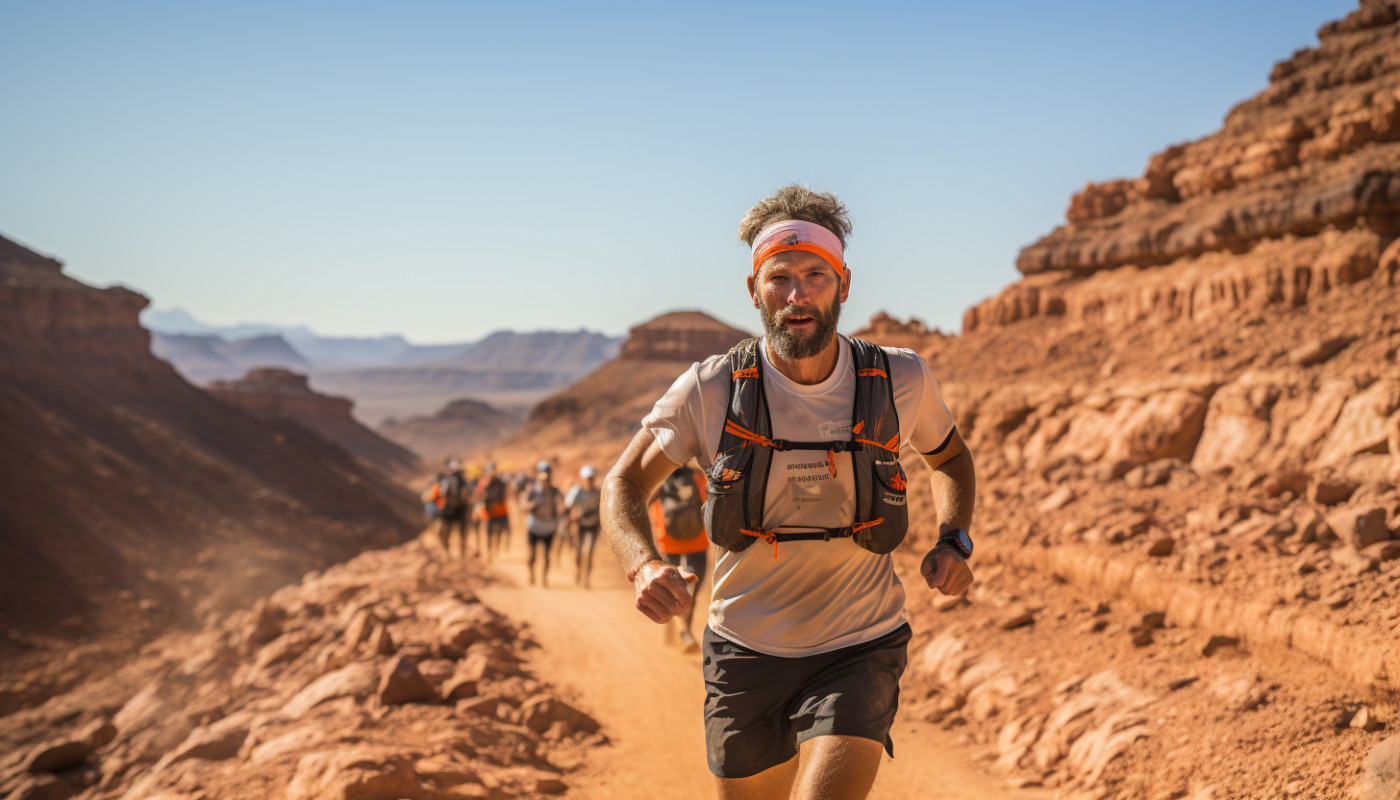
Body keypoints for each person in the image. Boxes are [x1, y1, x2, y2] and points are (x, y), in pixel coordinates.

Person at [602, 185, 976, 800]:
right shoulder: (711, 389)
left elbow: (951, 458)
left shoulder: (898, 378)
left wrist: (954, 539)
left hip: (861, 643)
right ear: (754, 290)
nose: (797, 296)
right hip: (744, 648)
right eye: (779, 278)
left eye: (815, 276)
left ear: (843, 284)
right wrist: (642, 565)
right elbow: (623, 482)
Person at [648, 465, 710, 650]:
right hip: (697, 541)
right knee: (691, 590)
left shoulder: (659, 476)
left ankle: (680, 629)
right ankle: (685, 633)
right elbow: (709, 503)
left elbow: (646, 503)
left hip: (668, 543)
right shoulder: (698, 476)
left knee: (676, 588)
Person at [523, 460, 565, 587]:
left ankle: (544, 579)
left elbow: (563, 504)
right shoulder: (532, 490)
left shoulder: (554, 491)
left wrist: (560, 507)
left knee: (546, 556)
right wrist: (531, 505)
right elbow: (523, 506)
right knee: (532, 555)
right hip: (534, 526)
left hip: (549, 528)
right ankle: (531, 574)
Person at [566, 465, 604, 588]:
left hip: (593, 525)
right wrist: (573, 514)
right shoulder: (577, 491)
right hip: (580, 525)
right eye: (588, 479)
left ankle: (586, 578)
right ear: (583, 479)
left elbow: (603, 507)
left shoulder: (598, 493)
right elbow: (568, 504)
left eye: (592, 478)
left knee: (588, 551)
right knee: (578, 553)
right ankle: (578, 571)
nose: (590, 481)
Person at [473, 463, 510, 562]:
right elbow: (480, 497)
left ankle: (495, 550)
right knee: (489, 533)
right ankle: (490, 553)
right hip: (490, 513)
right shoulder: (484, 483)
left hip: (501, 512)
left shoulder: (501, 483)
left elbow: (506, 495)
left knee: (497, 532)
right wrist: (477, 510)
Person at [435, 459, 471, 559]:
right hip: (458, 510)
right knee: (460, 532)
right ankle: (461, 552)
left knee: (447, 531)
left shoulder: (448, 480)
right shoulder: (463, 481)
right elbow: (467, 496)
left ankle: (448, 551)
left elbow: (442, 493)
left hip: (451, 509)